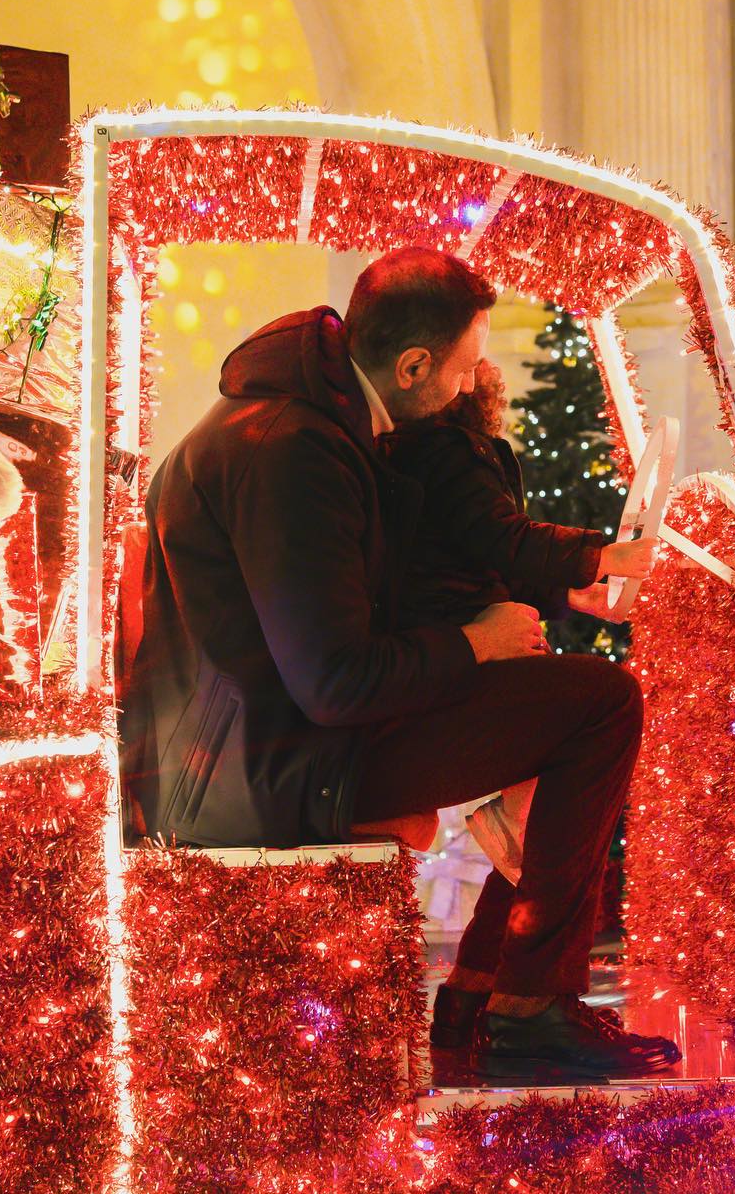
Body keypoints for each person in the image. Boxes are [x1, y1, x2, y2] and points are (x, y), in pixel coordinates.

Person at [122, 245, 679, 1081]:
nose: (466, 387)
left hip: (250, 750)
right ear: (414, 364)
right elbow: (335, 681)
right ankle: (528, 1008)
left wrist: (543, 604)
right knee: (601, 704)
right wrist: (478, 644)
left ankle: (492, 994)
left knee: (568, 700)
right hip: (265, 768)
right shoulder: (294, 451)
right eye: (461, 368)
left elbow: (371, 604)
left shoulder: (308, 426)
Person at [378, 356, 643, 892]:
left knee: (549, 691)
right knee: (568, 698)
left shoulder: (413, 454)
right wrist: (600, 557)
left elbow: (482, 553)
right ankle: (522, 828)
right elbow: (503, 540)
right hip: (457, 628)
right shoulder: (453, 453)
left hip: (439, 627)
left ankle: (519, 829)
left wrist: (569, 592)